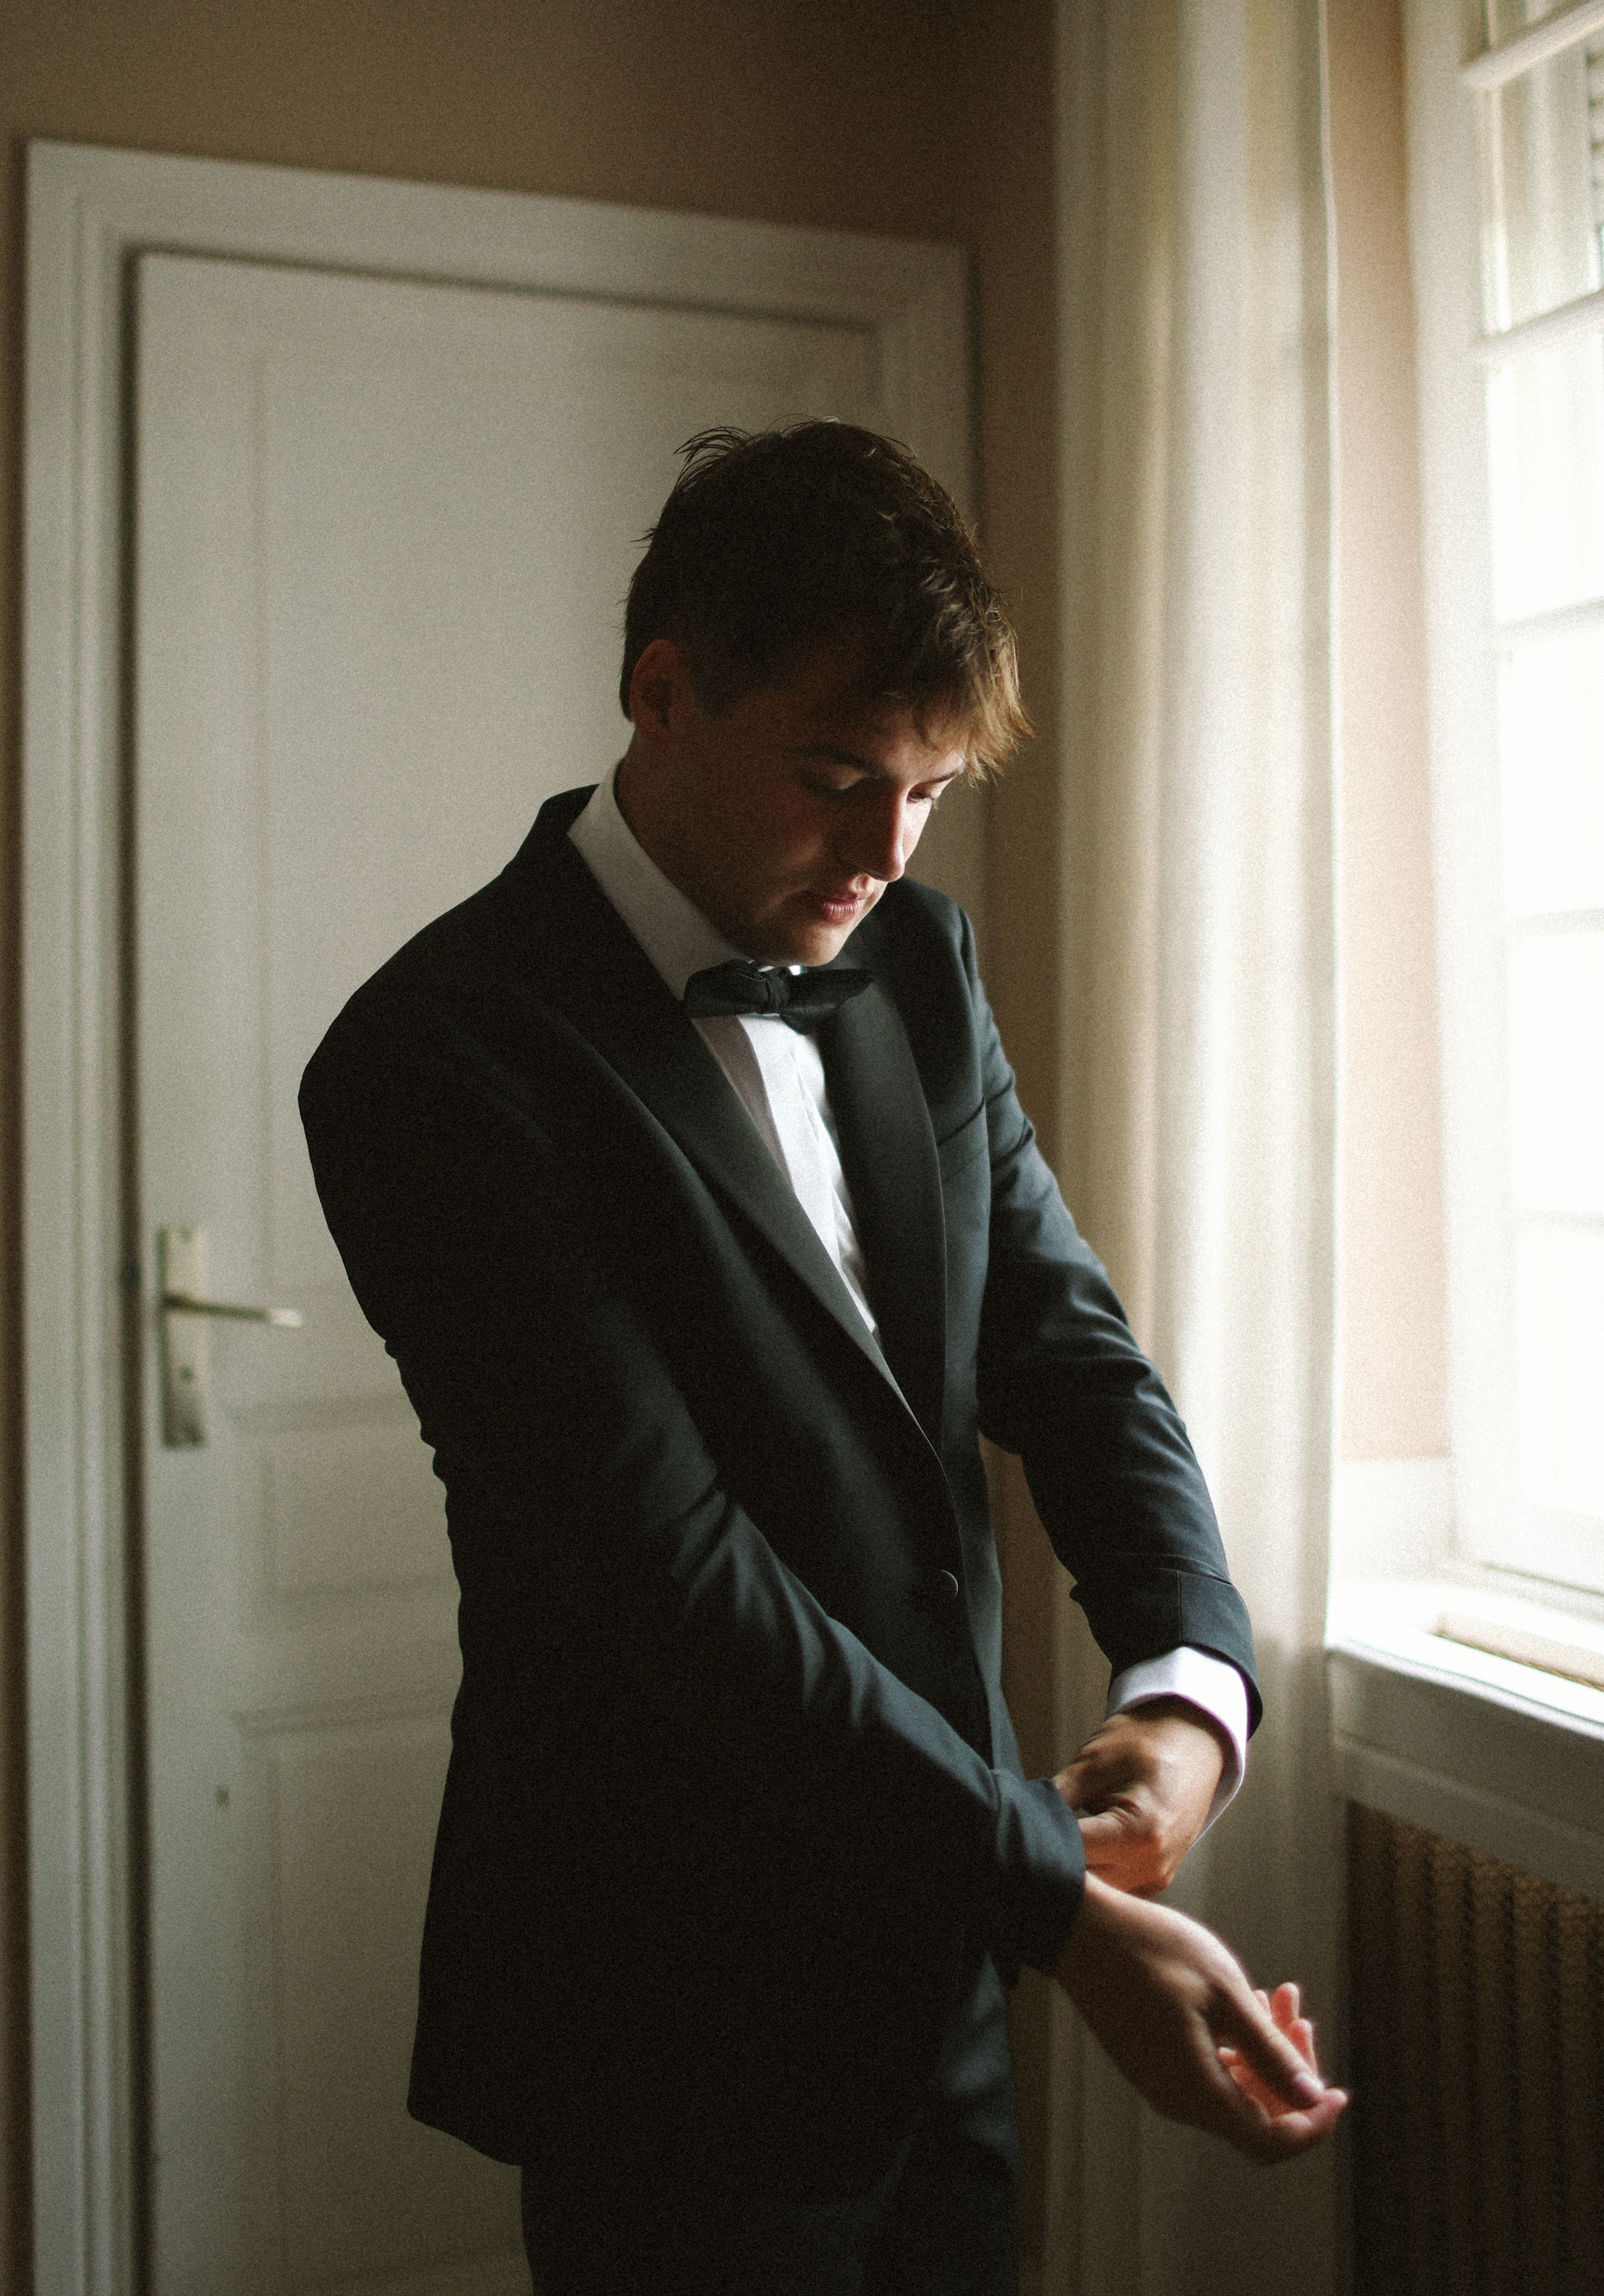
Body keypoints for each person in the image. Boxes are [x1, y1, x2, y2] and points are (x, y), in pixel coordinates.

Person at [299, 422, 1345, 2295]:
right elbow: (663, 1570)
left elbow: (1064, 1350)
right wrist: (1047, 1898)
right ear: (659, 690)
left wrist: (1187, 1684)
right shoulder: (431, 1061)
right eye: (835, 777)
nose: (882, 850)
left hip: (935, 1959)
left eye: (929, 793)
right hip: (661, 1999)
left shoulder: (922, 973)